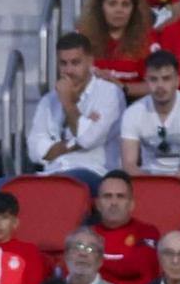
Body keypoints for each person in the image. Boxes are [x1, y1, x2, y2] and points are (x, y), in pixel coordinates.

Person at [23, 32, 123, 190]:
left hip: (95, 173)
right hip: (52, 173)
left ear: (90, 61)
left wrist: (68, 102)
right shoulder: (48, 99)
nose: (69, 70)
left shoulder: (109, 93)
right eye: (63, 63)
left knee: (66, 184)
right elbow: (34, 152)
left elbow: (86, 140)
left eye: (75, 63)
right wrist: (74, 143)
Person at [119, 50, 180, 205]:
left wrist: (170, 183)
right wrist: (154, 183)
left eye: (166, 79)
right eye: (154, 79)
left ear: (177, 80)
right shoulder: (132, 113)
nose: (160, 86)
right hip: (149, 176)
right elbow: (129, 164)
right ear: (146, 81)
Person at [77, 0, 153, 97]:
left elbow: (157, 84)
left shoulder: (147, 40)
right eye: (112, 4)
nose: (119, 10)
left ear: (134, 9)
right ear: (100, 7)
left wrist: (123, 88)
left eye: (125, 4)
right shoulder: (82, 38)